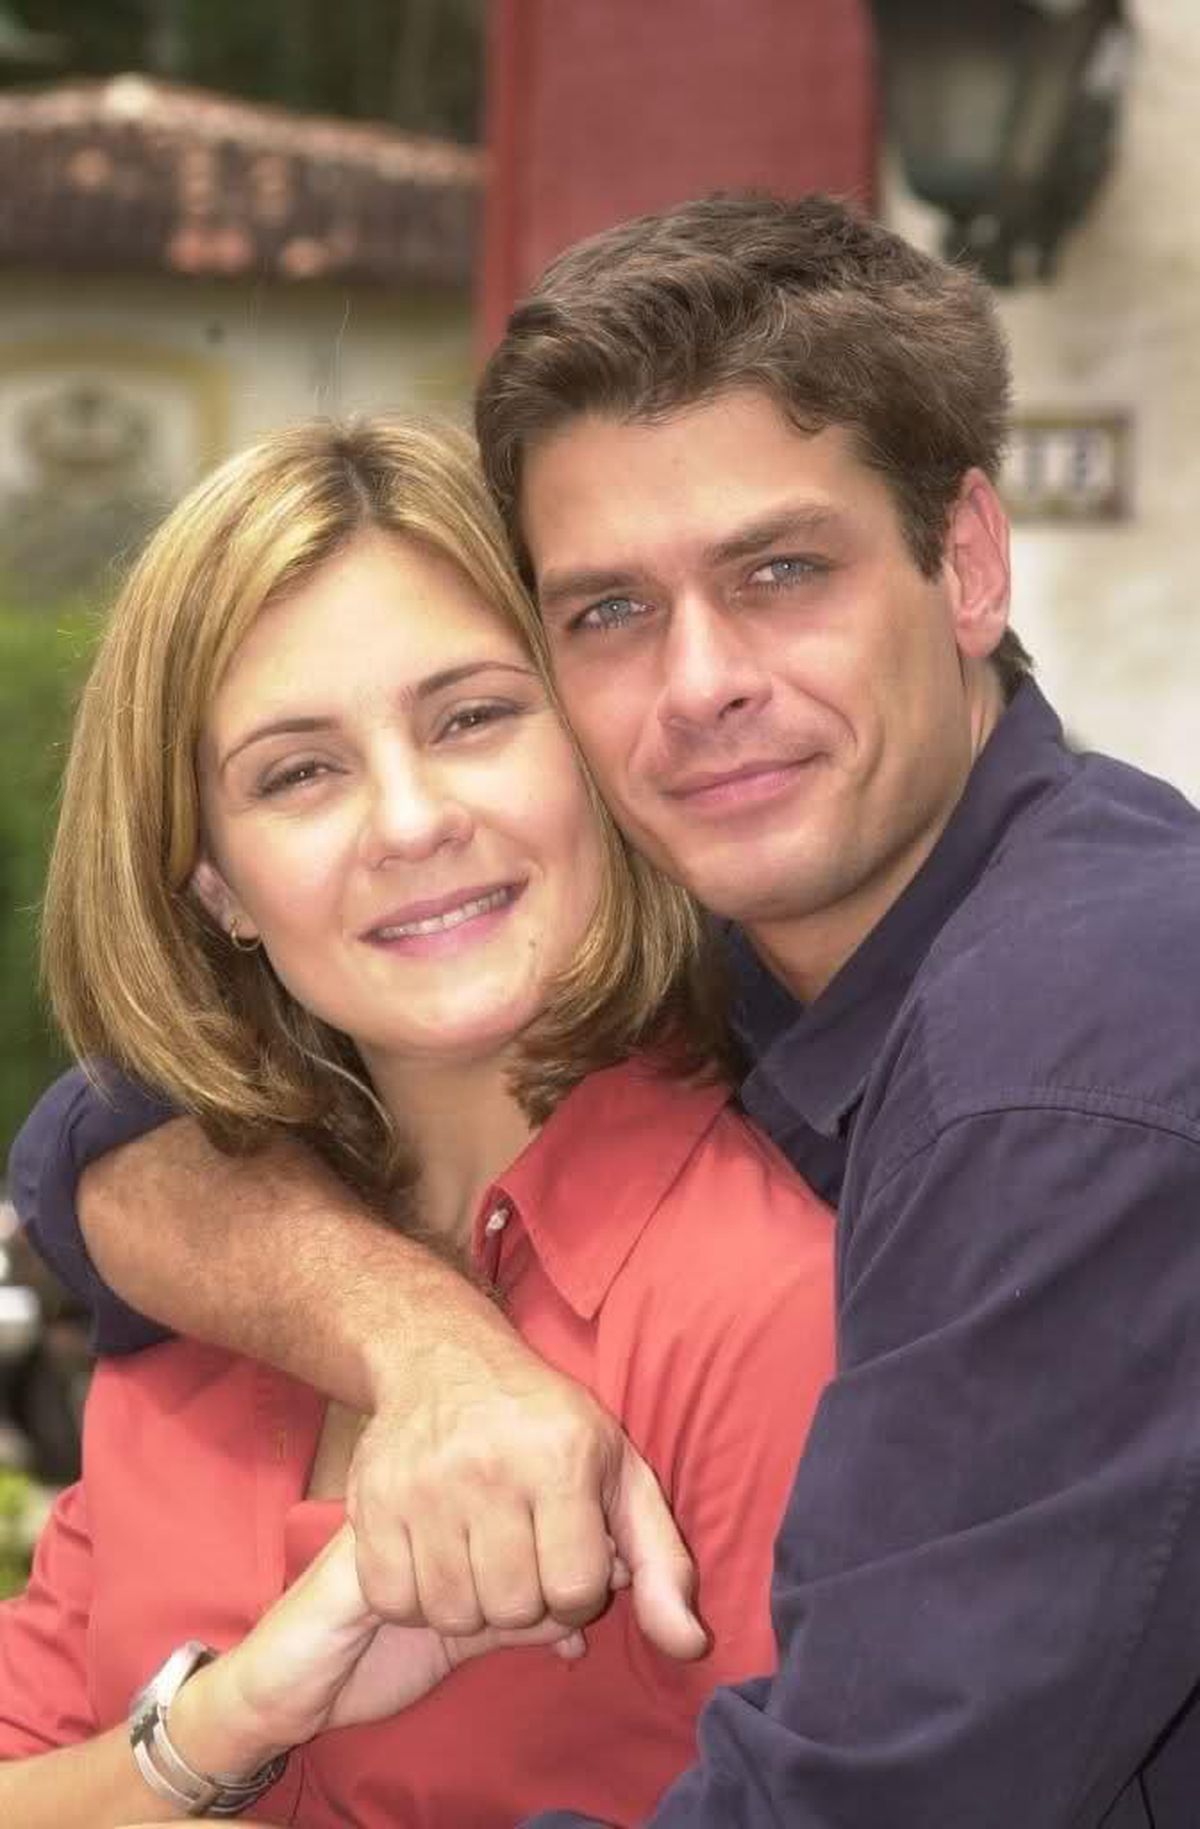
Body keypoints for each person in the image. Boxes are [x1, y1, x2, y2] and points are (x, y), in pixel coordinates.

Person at [10, 192, 1200, 1827]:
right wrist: (424, 1353)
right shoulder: (768, 949)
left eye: (782, 569)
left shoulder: (1057, 1061)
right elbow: (96, 1131)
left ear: (970, 562)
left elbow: (864, 1805)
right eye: (611, 612)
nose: (702, 684)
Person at [0, 415, 836, 1827]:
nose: (408, 820)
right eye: (298, 773)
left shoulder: (767, 1297)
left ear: (594, 748)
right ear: (215, 886)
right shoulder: (208, 1298)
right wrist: (237, 1715)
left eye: (472, 718)